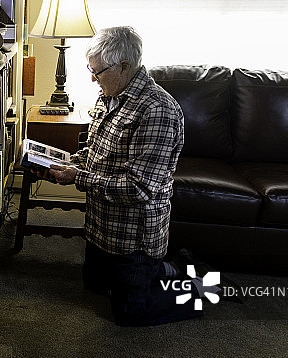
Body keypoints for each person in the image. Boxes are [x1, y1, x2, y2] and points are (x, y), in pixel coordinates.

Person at [38, 26, 207, 326]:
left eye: (98, 72)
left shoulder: (158, 110)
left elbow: (139, 188)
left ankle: (201, 289)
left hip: (133, 236)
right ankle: (172, 267)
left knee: (130, 314)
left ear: (125, 67)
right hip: (101, 226)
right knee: (94, 285)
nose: (92, 79)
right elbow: (95, 151)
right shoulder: (110, 94)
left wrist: (77, 177)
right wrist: (64, 162)